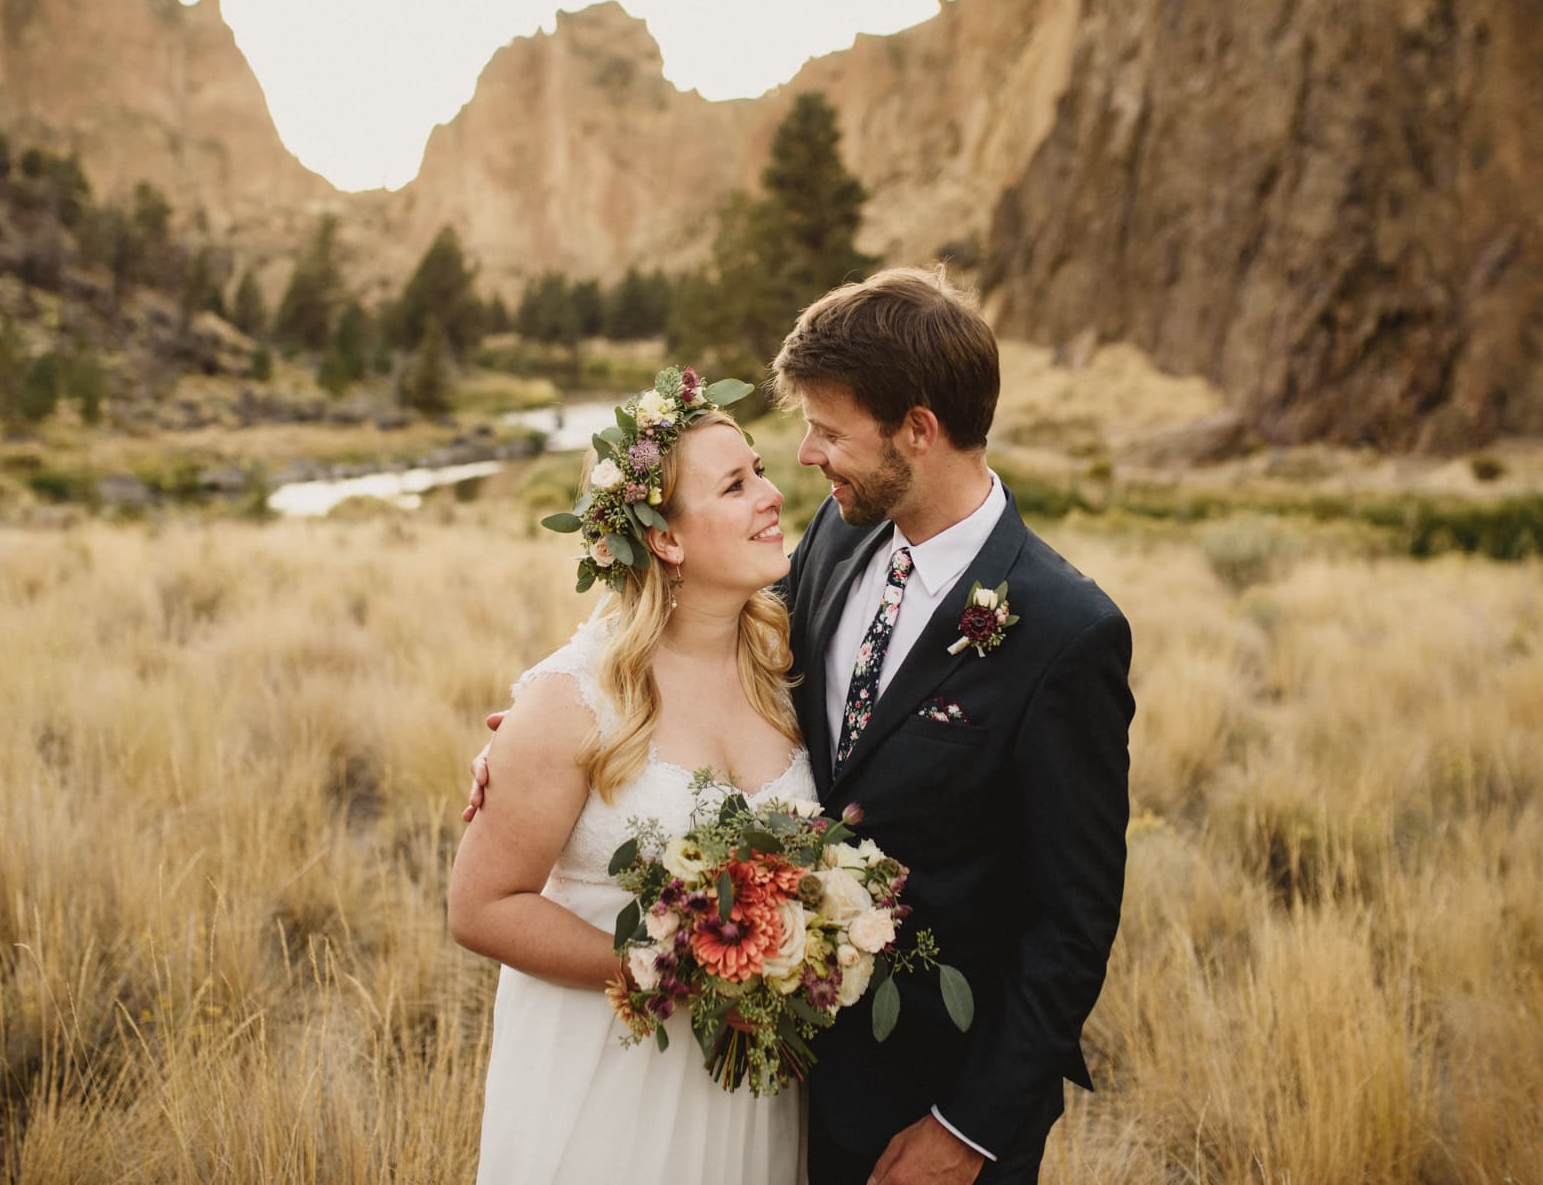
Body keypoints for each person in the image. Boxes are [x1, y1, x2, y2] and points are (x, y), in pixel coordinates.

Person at [468, 267, 1133, 1184]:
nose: (808, 457)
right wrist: (546, 740)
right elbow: (685, 646)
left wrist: (970, 1129)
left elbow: (1075, 921)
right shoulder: (838, 535)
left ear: (919, 431)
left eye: (827, 431)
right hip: (782, 1083)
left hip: (933, 1109)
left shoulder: (1066, 633)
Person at [447, 379, 813, 1185]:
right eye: (736, 484)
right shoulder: (572, 698)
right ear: (668, 540)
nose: (774, 493)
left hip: (749, 1090)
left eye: (759, 469)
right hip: (608, 1080)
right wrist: (662, 967)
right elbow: (479, 906)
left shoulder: (788, 675)